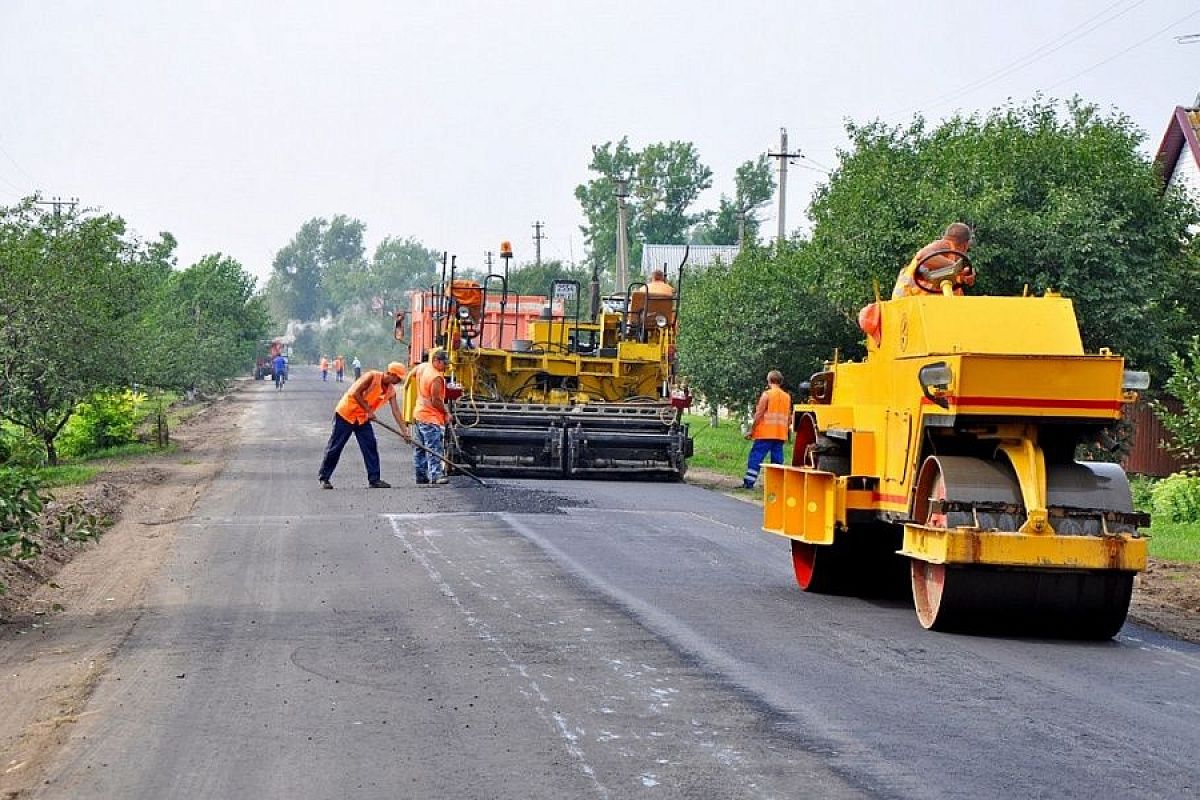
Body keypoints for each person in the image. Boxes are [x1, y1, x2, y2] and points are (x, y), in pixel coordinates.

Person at [317, 362, 407, 489]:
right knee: (336, 447)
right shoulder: (372, 376)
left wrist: (404, 431)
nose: (398, 381)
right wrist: (368, 410)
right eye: (398, 378)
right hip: (346, 414)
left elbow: (396, 411)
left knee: (370, 446)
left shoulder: (391, 391)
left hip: (362, 418)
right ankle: (324, 478)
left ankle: (374, 479)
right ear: (391, 374)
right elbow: (355, 393)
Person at [892, 222, 974, 299]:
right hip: (908, 304)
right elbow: (923, 256)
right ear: (965, 245)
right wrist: (958, 268)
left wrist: (965, 276)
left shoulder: (948, 269)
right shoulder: (946, 245)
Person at [742, 370, 791, 489]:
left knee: (756, 457)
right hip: (780, 434)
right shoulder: (787, 397)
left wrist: (752, 430)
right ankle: (776, 486)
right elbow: (789, 417)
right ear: (781, 382)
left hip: (765, 433)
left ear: (768, 380)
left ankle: (749, 483)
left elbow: (759, 414)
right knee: (777, 461)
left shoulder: (767, 395)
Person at [412, 350, 451, 486]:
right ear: (437, 361)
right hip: (430, 417)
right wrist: (446, 413)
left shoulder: (423, 367)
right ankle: (436, 475)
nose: (446, 367)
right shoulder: (436, 377)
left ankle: (421, 475)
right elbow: (436, 401)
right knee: (434, 448)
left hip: (418, 414)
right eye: (444, 364)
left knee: (420, 448)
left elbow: (412, 375)